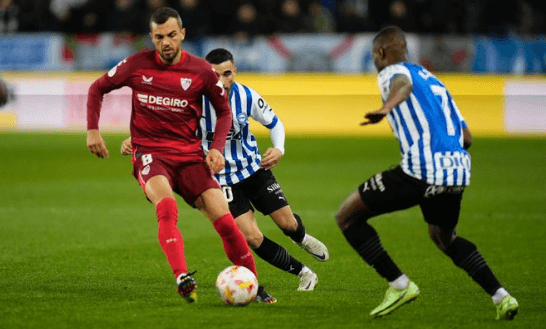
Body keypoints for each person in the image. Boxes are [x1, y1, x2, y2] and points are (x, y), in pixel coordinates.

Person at [86, 7, 270, 304]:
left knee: (225, 221)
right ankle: (182, 276)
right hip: (151, 154)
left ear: (182, 34)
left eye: (172, 35)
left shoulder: (201, 71)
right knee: (167, 205)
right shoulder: (136, 65)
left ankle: (254, 286)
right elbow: (97, 88)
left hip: (189, 156)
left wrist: (216, 148)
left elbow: (224, 112)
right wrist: (93, 131)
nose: (166, 42)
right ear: (152, 37)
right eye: (159, 37)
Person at [334, 26, 519, 320]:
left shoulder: (390, 72)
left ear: (381, 53)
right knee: (444, 238)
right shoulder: (434, 81)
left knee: (347, 217)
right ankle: (502, 296)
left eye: (373, 56)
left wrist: (385, 109)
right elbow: (467, 137)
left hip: (421, 169)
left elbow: (401, 84)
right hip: (457, 171)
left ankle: (399, 284)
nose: (374, 62)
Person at [121, 48, 329, 294]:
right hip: (220, 181)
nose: (221, 81)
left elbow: (274, 123)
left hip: (254, 169)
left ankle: (300, 237)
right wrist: (135, 141)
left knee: (288, 224)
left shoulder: (246, 96)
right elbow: (162, 128)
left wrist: (279, 148)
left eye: (227, 73)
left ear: (235, 72)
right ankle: (304, 273)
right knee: (251, 237)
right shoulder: (190, 101)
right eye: (214, 75)